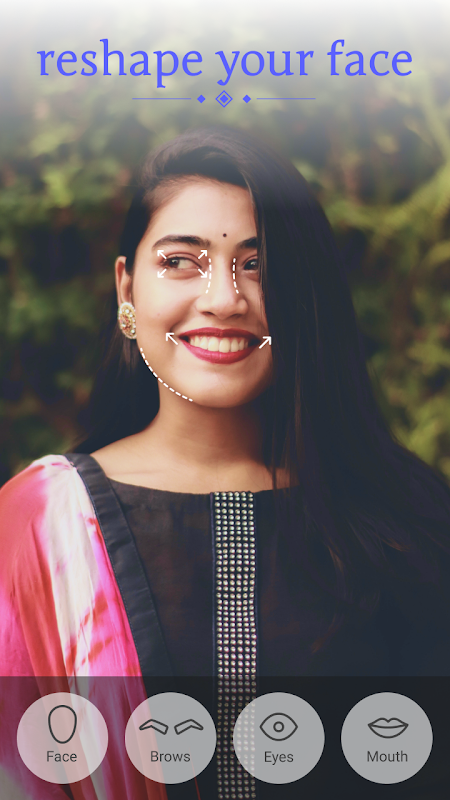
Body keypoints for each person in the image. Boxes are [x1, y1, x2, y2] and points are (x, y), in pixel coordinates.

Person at [1, 126, 450, 799]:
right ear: (126, 288)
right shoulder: (40, 523)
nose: (223, 298)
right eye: (181, 261)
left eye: (259, 264)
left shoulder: (407, 519)